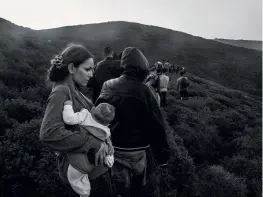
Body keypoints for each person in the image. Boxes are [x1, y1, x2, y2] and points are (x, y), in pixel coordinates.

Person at [40, 44, 116, 197]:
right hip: (83, 178)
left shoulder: (74, 90)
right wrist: (94, 143)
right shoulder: (61, 91)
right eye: (87, 69)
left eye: (92, 69)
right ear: (71, 68)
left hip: (92, 173)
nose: (91, 74)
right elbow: (49, 133)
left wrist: (106, 142)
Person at [96, 47, 170, 197]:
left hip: (113, 146)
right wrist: (162, 157)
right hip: (136, 149)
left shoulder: (107, 85)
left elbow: (98, 116)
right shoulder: (144, 90)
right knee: (138, 183)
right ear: (142, 67)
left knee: (119, 184)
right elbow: (157, 125)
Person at [62, 101, 115, 197]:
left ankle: (84, 193)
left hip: (79, 164)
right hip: (98, 167)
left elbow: (68, 119)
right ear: (108, 123)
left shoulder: (84, 115)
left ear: (93, 109)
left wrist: (68, 105)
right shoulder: (105, 130)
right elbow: (107, 138)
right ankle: (109, 158)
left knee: (75, 179)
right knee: (109, 149)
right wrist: (109, 142)